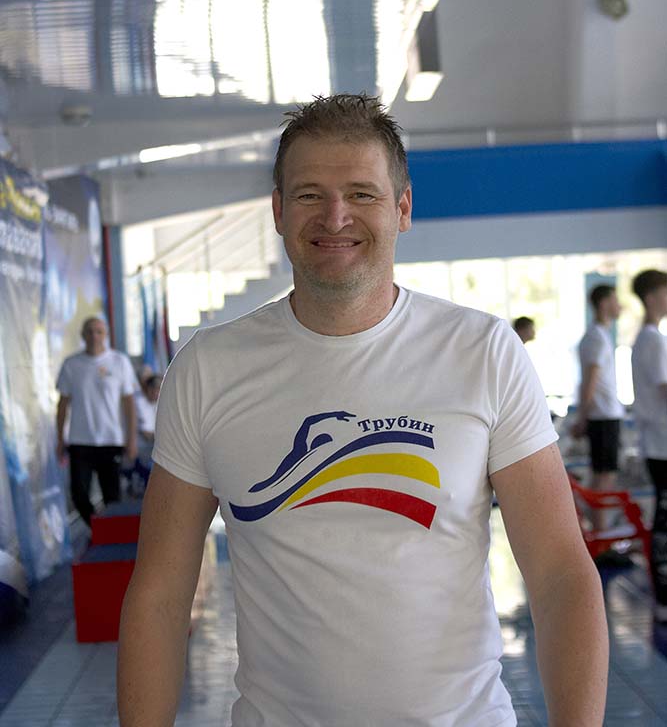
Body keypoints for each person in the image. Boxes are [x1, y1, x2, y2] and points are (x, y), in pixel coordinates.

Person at [118, 94, 607, 727]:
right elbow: (160, 594)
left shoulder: (482, 352)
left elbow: (560, 574)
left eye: (362, 194)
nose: (335, 216)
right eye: (309, 194)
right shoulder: (207, 370)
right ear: (278, 210)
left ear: (403, 208)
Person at [56, 317, 137, 526]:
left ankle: (110, 535)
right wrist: (60, 439)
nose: (94, 336)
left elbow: (129, 404)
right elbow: (62, 405)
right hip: (80, 441)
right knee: (79, 494)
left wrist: (131, 439)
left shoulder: (119, 362)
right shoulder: (71, 364)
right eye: (90, 331)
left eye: (99, 331)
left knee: (112, 497)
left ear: (106, 335)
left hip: (111, 440)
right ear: (83, 335)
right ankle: (97, 529)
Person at [631, 269, 667, 623]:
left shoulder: (646, 338)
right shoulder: (653, 340)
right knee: (664, 523)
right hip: (661, 444)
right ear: (653, 296)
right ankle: (663, 598)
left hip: (657, 442)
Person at [572, 285, 623, 500]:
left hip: (605, 414)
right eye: (615, 300)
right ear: (603, 304)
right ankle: (599, 520)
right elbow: (590, 381)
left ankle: (597, 519)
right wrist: (582, 418)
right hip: (603, 415)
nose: (620, 305)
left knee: (603, 474)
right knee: (604, 475)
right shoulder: (596, 337)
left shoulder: (600, 335)